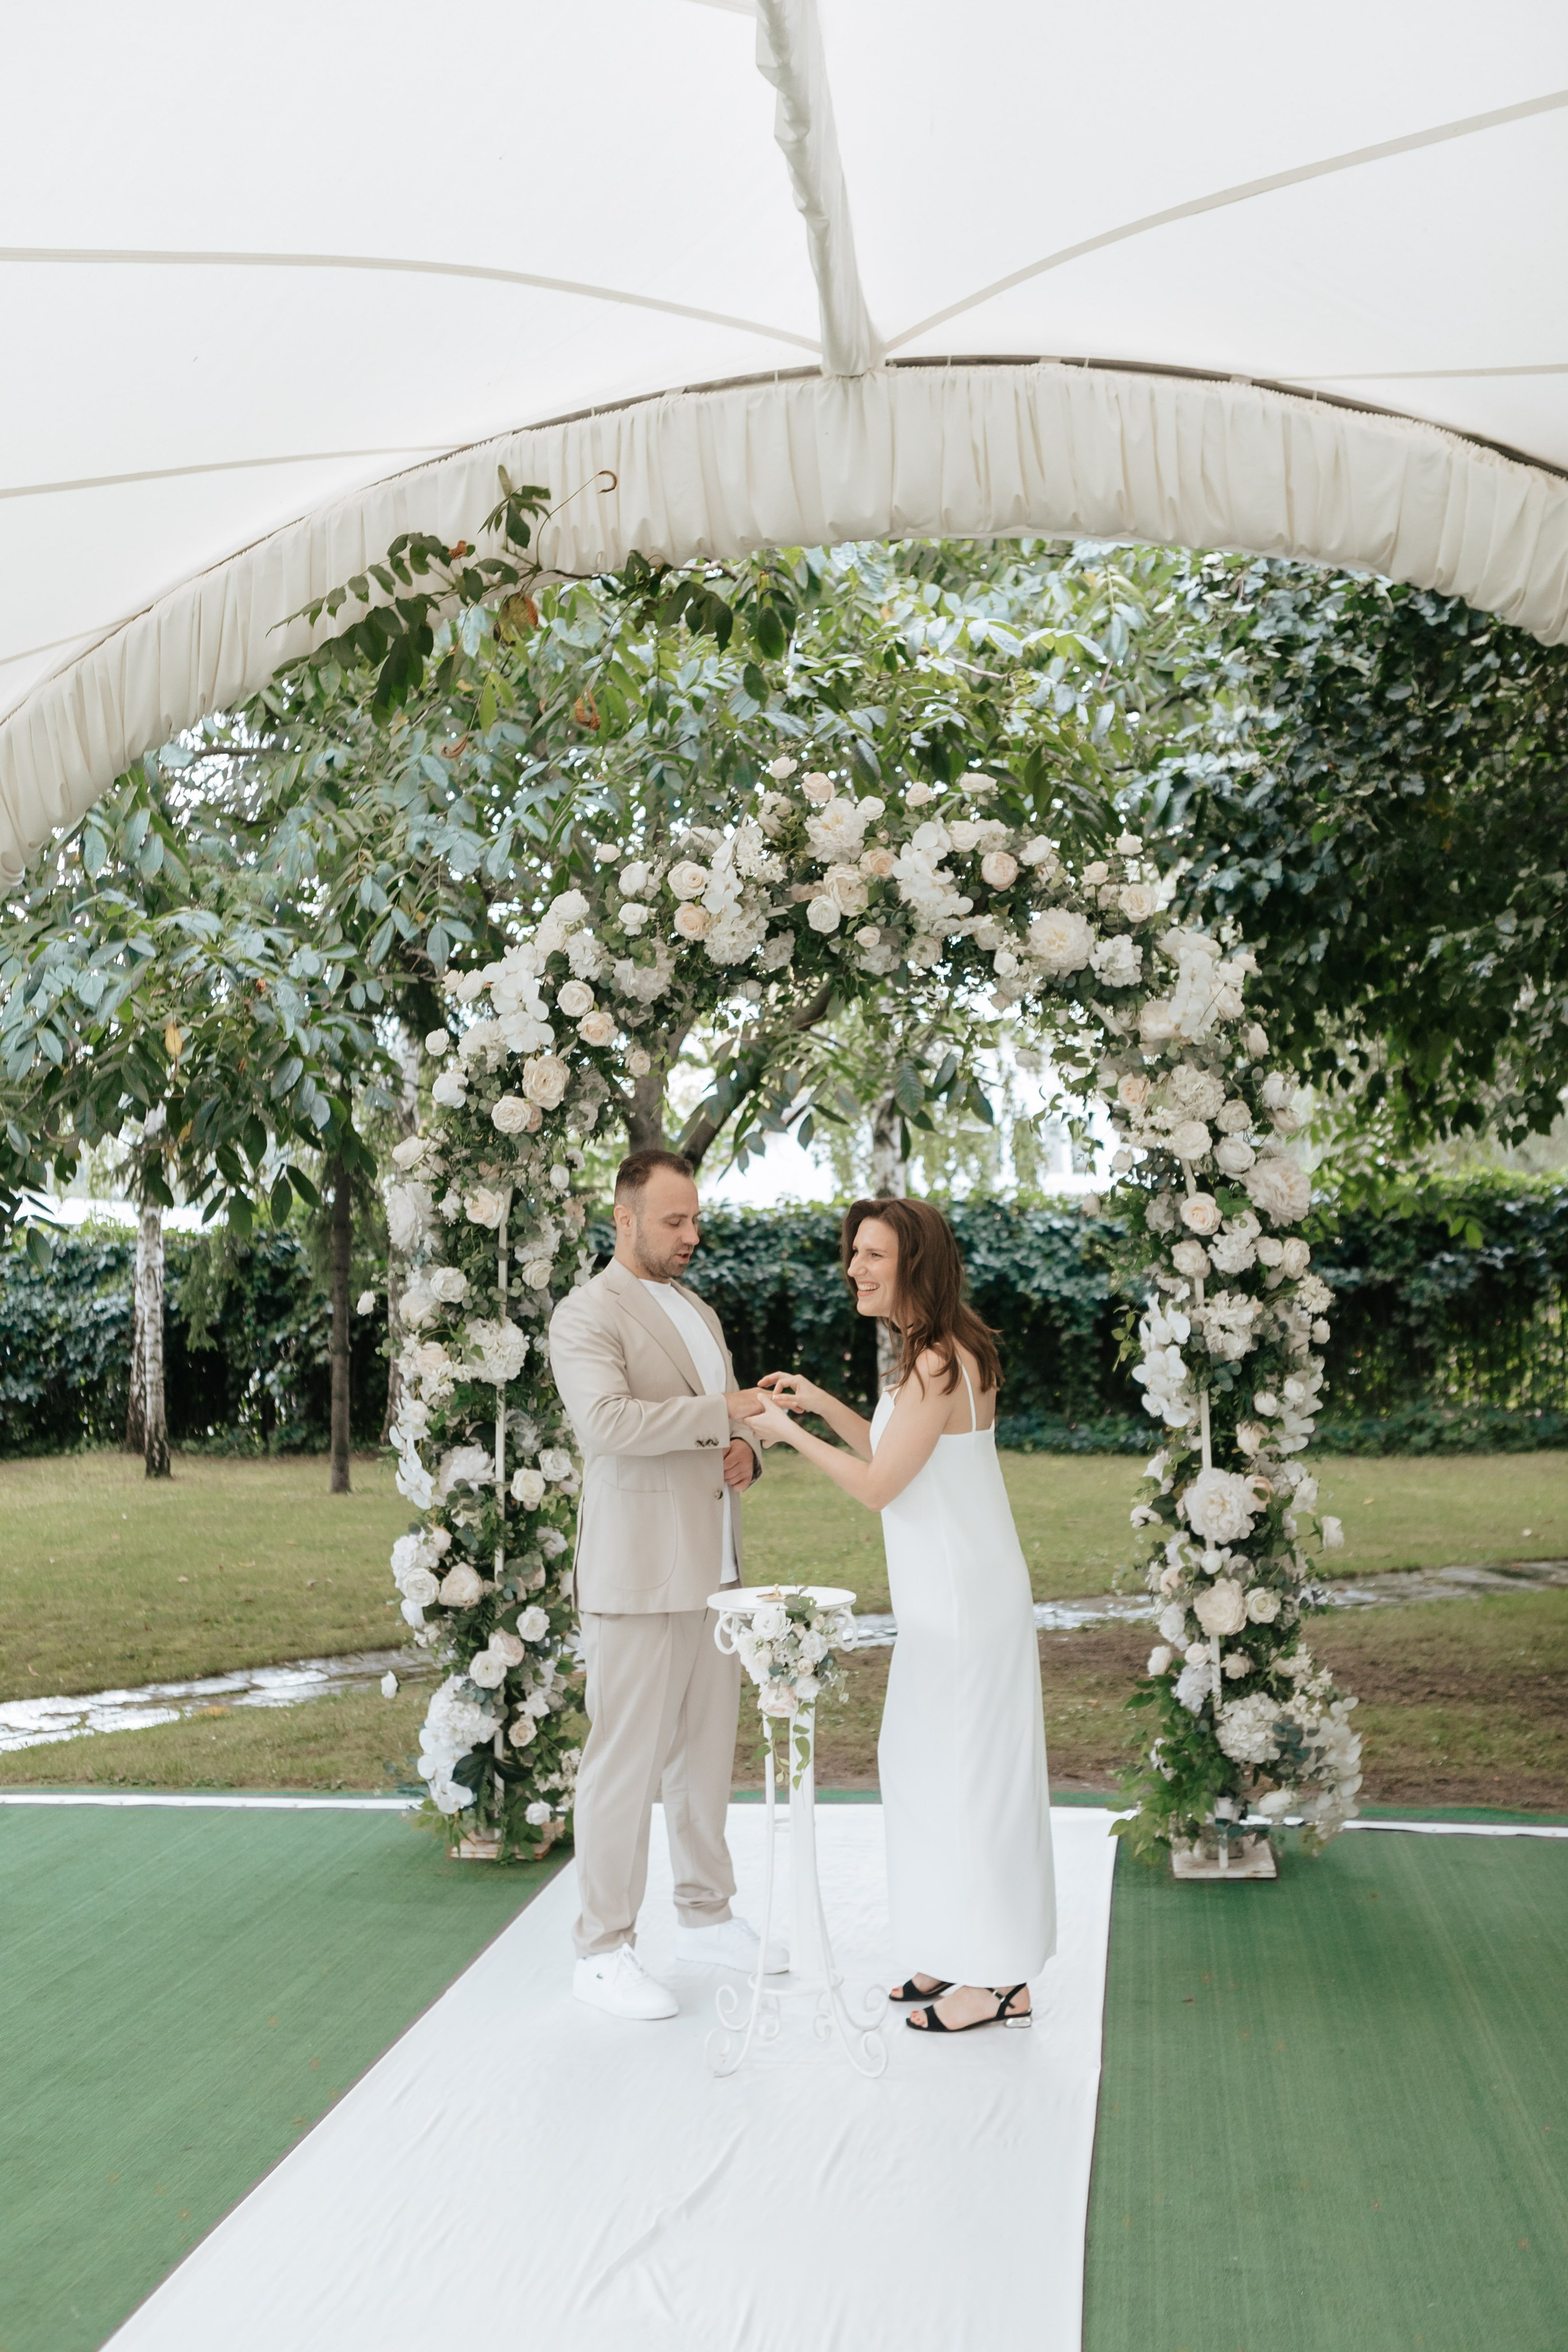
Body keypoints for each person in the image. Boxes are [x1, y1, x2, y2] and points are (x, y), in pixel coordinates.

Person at [742, 1196, 1055, 2035]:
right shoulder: (942, 1354)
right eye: (856, 1253)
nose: (855, 1268)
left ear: (913, 1263)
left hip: (964, 1606)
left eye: (873, 1255)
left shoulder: (938, 1365)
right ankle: (961, 1948)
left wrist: (783, 1431)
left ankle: (999, 1978)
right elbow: (896, 1452)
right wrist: (818, 1404)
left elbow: (880, 1488)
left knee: (970, 1780)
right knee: (925, 1765)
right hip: (950, 1601)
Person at [548, 1147, 783, 2021]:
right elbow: (607, 1425)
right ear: (626, 1220)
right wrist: (724, 1415)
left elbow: (733, 1418)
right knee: (625, 1764)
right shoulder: (586, 1314)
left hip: (715, 1571)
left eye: (695, 1219)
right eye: (674, 1221)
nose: (692, 1235)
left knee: (704, 1759)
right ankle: (602, 1949)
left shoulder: (698, 1310)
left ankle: (707, 1913)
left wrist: (748, 1451)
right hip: (638, 1573)